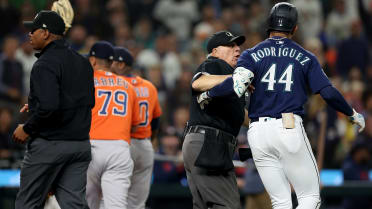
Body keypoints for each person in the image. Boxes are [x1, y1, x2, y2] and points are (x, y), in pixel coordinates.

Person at [198, 3, 366, 209]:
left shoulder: (251, 54)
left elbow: (237, 85)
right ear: (294, 29)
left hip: (258, 132)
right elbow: (328, 92)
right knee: (311, 197)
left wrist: (209, 93)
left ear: (269, 26)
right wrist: (351, 113)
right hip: (288, 127)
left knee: (281, 202)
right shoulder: (305, 56)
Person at [13, 10, 94, 209]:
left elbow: (49, 107)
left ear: (46, 33)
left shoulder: (45, 63)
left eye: (34, 30)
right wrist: (36, 104)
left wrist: (28, 128)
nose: (29, 34)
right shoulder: (82, 61)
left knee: (27, 204)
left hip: (51, 145)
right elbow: (87, 101)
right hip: (80, 145)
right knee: (74, 205)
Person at [182, 31, 252, 209]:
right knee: (227, 205)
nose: (237, 49)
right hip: (208, 142)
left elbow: (239, 114)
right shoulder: (215, 64)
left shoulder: (230, 78)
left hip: (206, 142)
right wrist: (236, 78)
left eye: (238, 45)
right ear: (214, 51)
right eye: (230, 45)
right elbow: (198, 83)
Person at [86, 41, 140, 209]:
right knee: (116, 206)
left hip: (91, 147)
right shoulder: (128, 86)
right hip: (119, 149)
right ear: (111, 63)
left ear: (93, 61)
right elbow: (135, 126)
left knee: (86, 204)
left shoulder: (85, 81)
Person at [112, 46, 162, 209]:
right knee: (137, 203)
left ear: (120, 64)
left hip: (123, 144)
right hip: (144, 145)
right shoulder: (149, 86)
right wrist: (152, 140)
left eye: (111, 62)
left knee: (114, 198)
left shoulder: (115, 84)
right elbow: (156, 120)